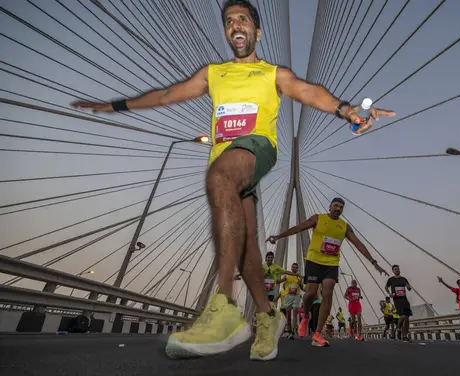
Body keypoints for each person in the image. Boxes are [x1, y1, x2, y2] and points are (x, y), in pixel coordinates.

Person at [71, 0, 394, 362]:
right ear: (227, 32)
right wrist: (115, 106)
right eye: (228, 21)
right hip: (229, 162)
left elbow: (309, 91)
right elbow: (165, 95)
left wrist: (345, 110)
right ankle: (266, 315)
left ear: (257, 31)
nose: (235, 25)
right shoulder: (213, 73)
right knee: (245, 249)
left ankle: (224, 306)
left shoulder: (274, 75)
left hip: (256, 148)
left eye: (242, 19)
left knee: (220, 176)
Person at [267, 197, 388, 347]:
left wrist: (374, 262)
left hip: (331, 263)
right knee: (310, 293)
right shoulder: (318, 218)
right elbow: (299, 227)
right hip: (314, 261)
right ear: (330, 207)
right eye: (336, 206)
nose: (338, 209)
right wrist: (279, 236)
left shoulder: (344, 227)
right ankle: (305, 315)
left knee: (328, 292)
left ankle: (318, 334)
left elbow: (358, 244)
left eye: (341, 207)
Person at [385, 265, 412, 342]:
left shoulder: (403, 279)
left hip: (405, 300)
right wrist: (389, 293)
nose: (397, 270)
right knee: (403, 316)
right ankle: (399, 328)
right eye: (395, 269)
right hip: (397, 300)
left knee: (407, 318)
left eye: (398, 269)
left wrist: (408, 286)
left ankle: (405, 336)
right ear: (393, 271)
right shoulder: (391, 279)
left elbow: (409, 287)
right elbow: (386, 287)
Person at [277, 263, 304, 339]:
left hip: (296, 296)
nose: (294, 268)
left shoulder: (298, 277)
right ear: (291, 268)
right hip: (288, 296)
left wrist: (306, 286)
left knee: (295, 313)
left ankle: (293, 331)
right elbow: (280, 281)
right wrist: (276, 279)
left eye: (296, 267)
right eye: (293, 267)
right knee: (288, 314)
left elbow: (302, 287)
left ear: (297, 269)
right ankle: (288, 330)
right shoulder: (287, 275)